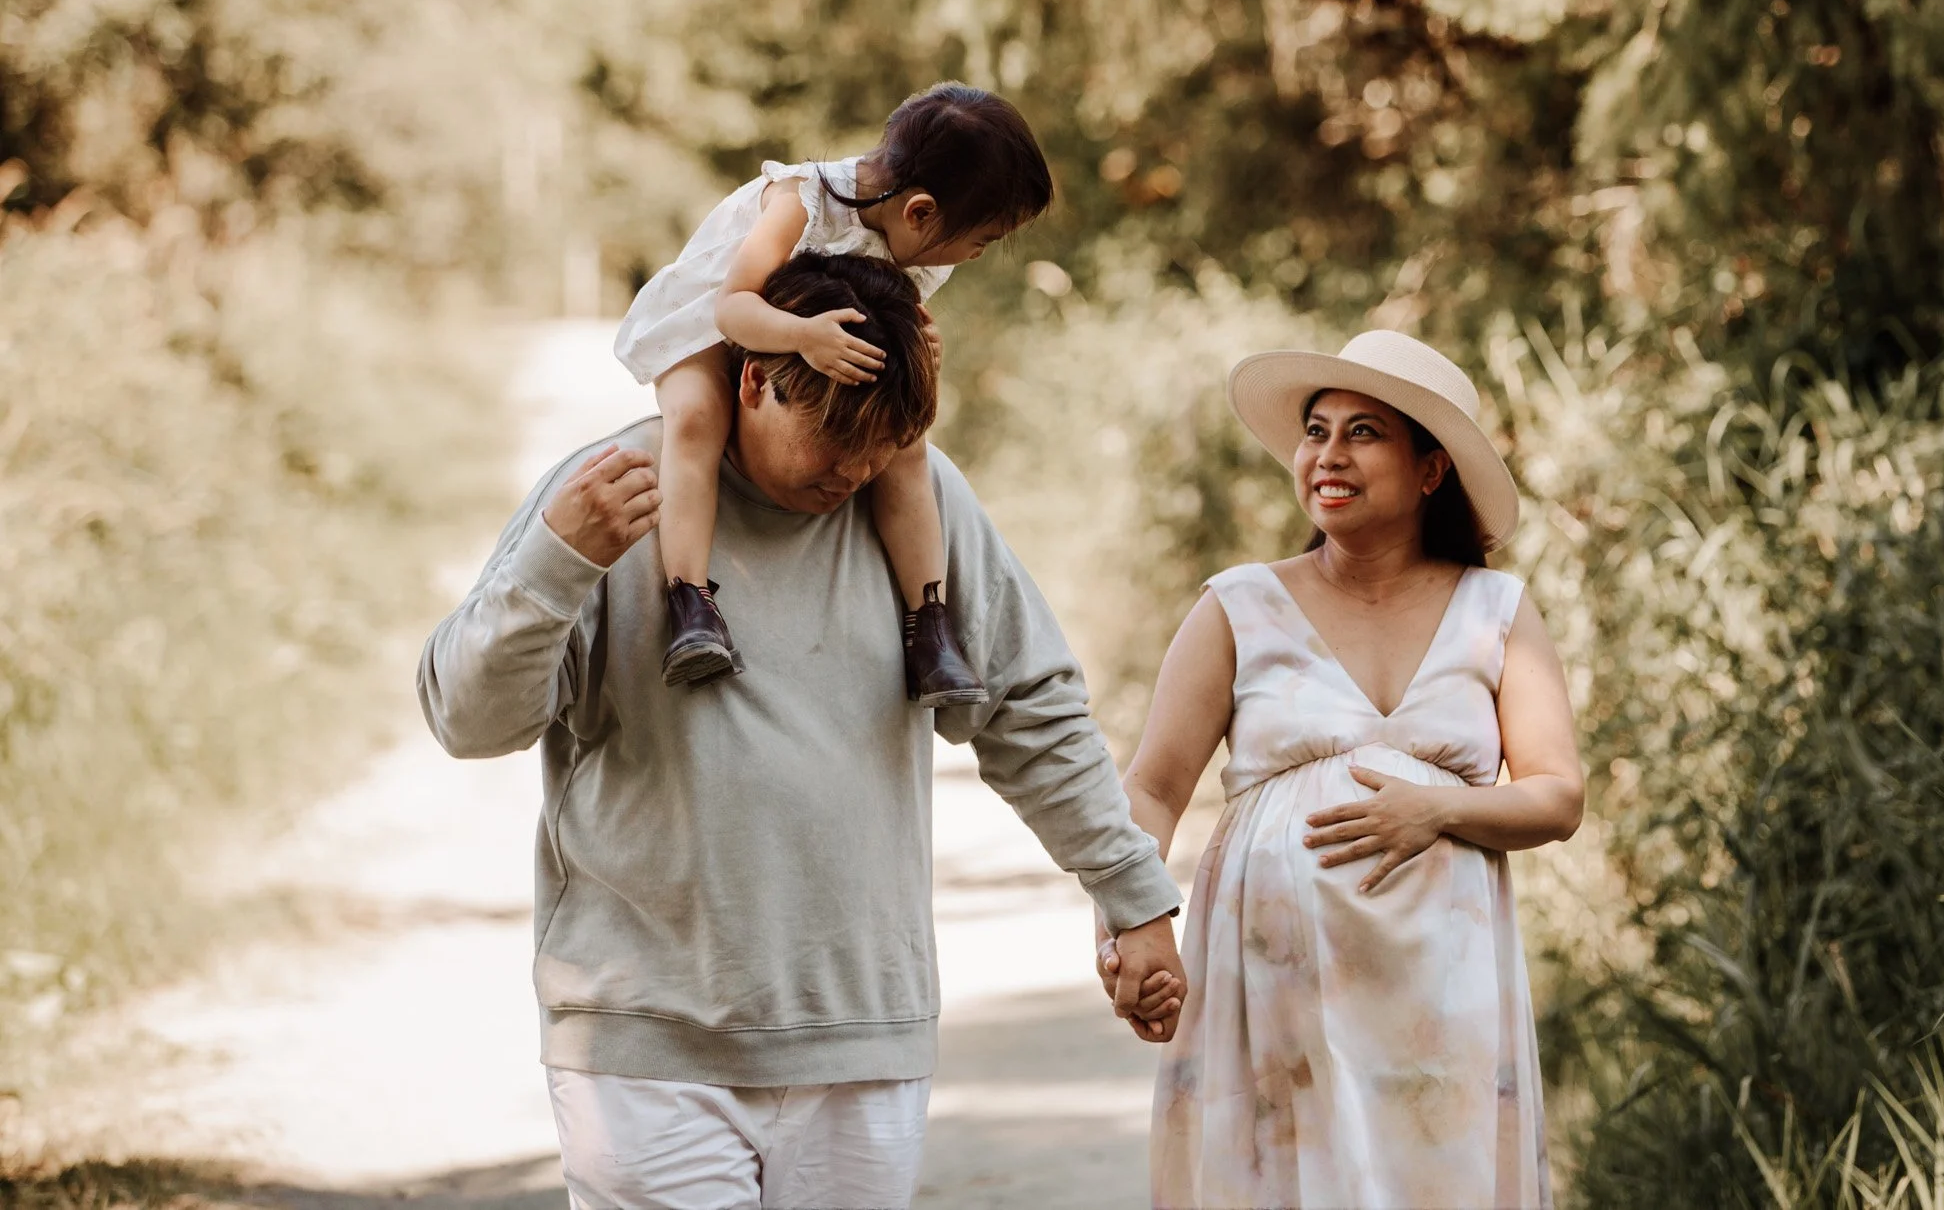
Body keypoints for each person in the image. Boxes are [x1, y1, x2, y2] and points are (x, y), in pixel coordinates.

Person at [420, 251, 1186, 1208]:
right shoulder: (617, 494)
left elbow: (1029, 708)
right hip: (648, 1042)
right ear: (754, 381)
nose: (855, 469)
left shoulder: (915, 503)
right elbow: (466, 718)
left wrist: (1134, 898)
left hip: (862, 1034)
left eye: (882, 443)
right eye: (833, 435)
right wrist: (556, 559)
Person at [1108, 329, 1584, 1210]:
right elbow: (1153, 788)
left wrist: (1438, 811)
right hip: (1272, 996)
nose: (1328, 454)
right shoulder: (1238, 606)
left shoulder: (1496, 610)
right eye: (1315, 431)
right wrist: (1130, 919)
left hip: (1441, 1002)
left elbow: (1558, 796)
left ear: (1431, 469)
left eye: (1363, 432)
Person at [610, 80, 1053, 698]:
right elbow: (733, 306)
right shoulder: (801, 202)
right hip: (716, 323)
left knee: (905, 448)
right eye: (980, 240)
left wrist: (920, 347)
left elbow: (893, 314)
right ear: (920, 211)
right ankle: (690, 601)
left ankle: (929, 624)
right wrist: (801, 336)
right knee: (695, 419)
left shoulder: (919, 241)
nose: (976, 255)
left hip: (808, 337)